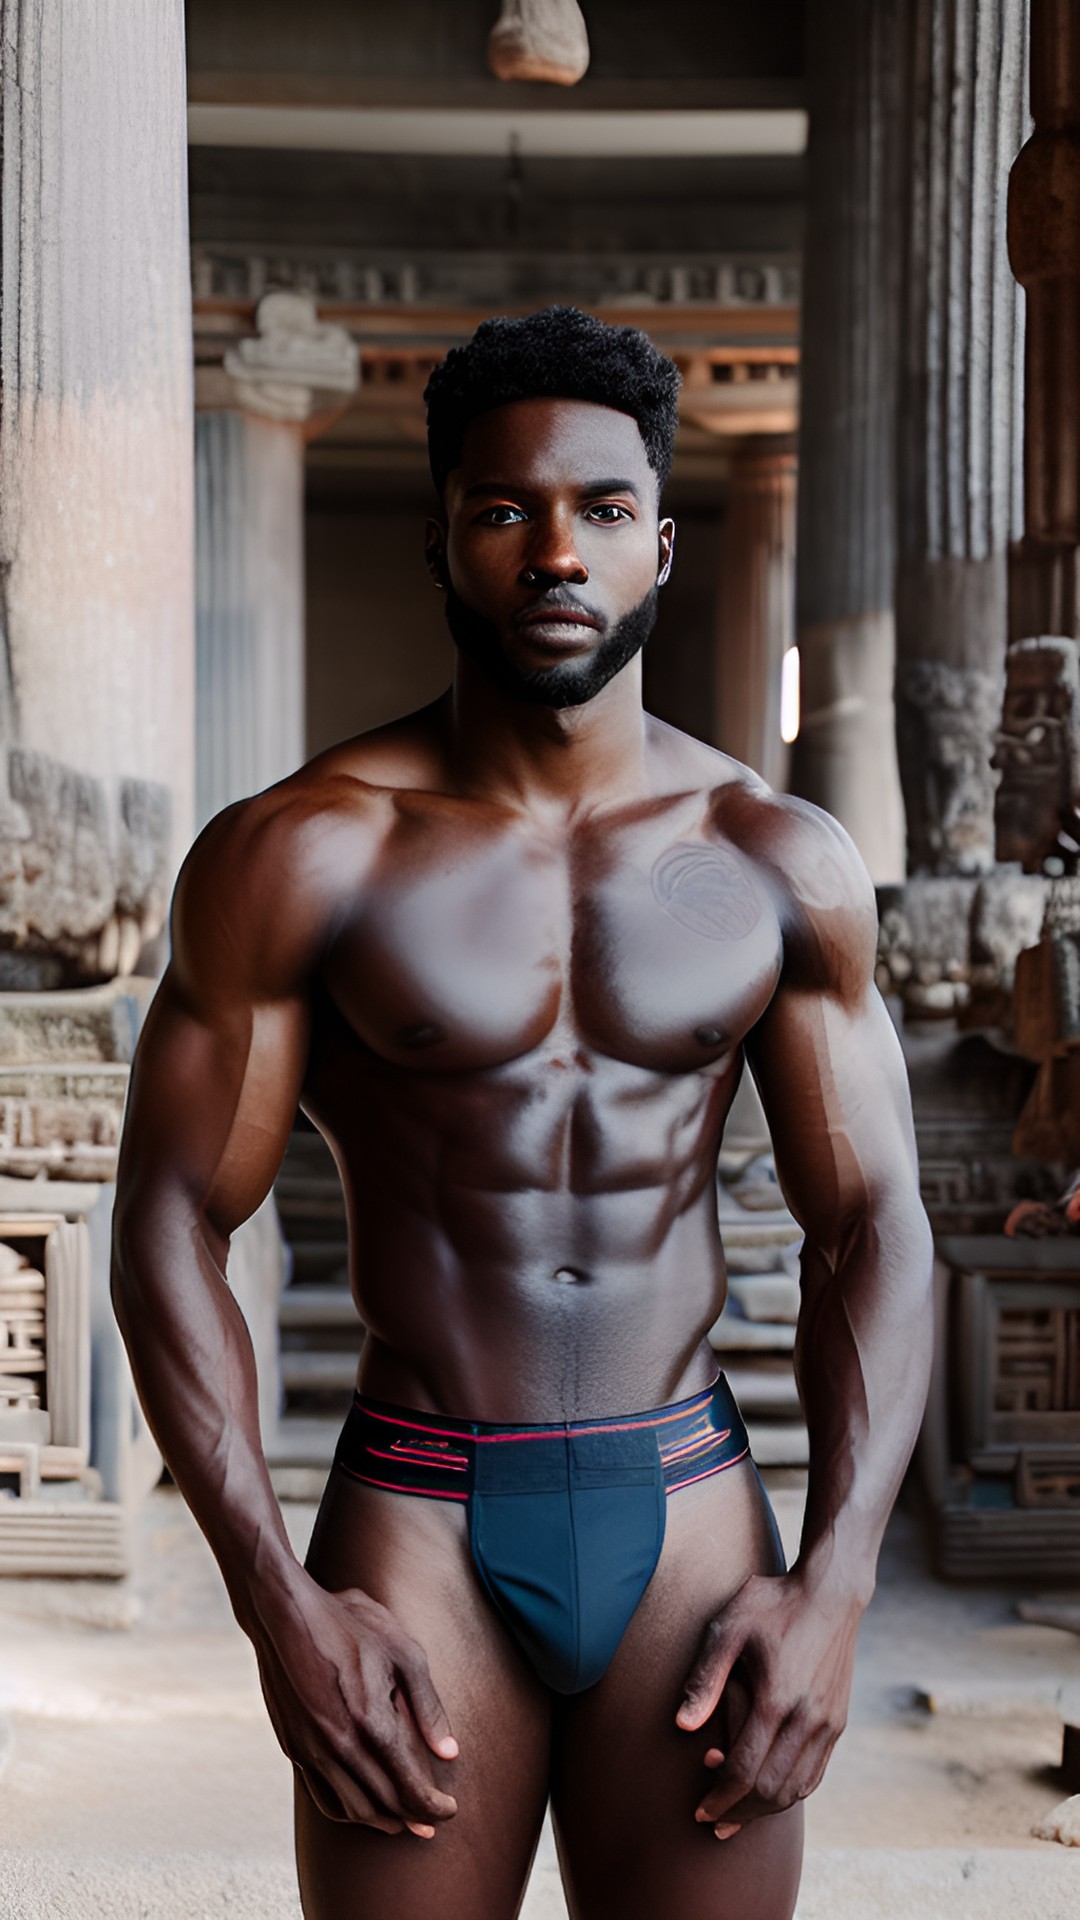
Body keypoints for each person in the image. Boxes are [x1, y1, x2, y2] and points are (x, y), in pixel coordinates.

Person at [112, 306, 933, 1920]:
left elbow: (874, 1225)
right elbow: (169, 1221)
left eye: (603, 512)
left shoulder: (775, 858)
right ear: (442, 537)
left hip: (691, 1509)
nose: (557, 553)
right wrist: (278, 1603)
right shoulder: (305, 851)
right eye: (506, 511)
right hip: (417, 1515)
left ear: (663, 545)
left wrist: (836, 1591)